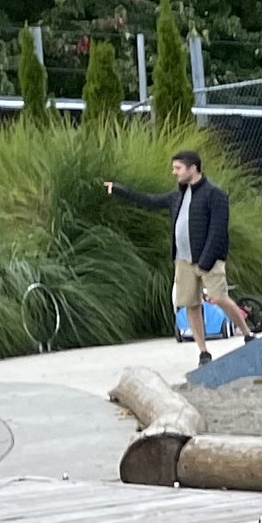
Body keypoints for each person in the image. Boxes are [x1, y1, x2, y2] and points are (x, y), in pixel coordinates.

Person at [102, 148, 236, 367]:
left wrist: (206, 260)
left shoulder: (214, 194)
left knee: (219, 298)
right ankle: (203, 352)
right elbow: (150, 201)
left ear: (192, 168)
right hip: (183, 260)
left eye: (178, 168)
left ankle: (247, 332)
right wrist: (118, 190)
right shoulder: (177, 196)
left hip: (207, 259)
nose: (174, 172)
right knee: (190, 304)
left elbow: (218, 230)